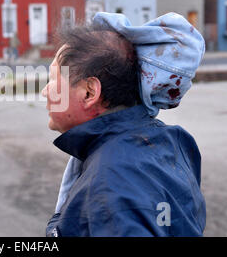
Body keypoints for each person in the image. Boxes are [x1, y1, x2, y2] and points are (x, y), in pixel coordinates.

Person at [43, 12, 206, 237]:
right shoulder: (174, 142)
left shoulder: (111, 182)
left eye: (52, 79)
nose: (45, 91)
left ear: (90, 92)